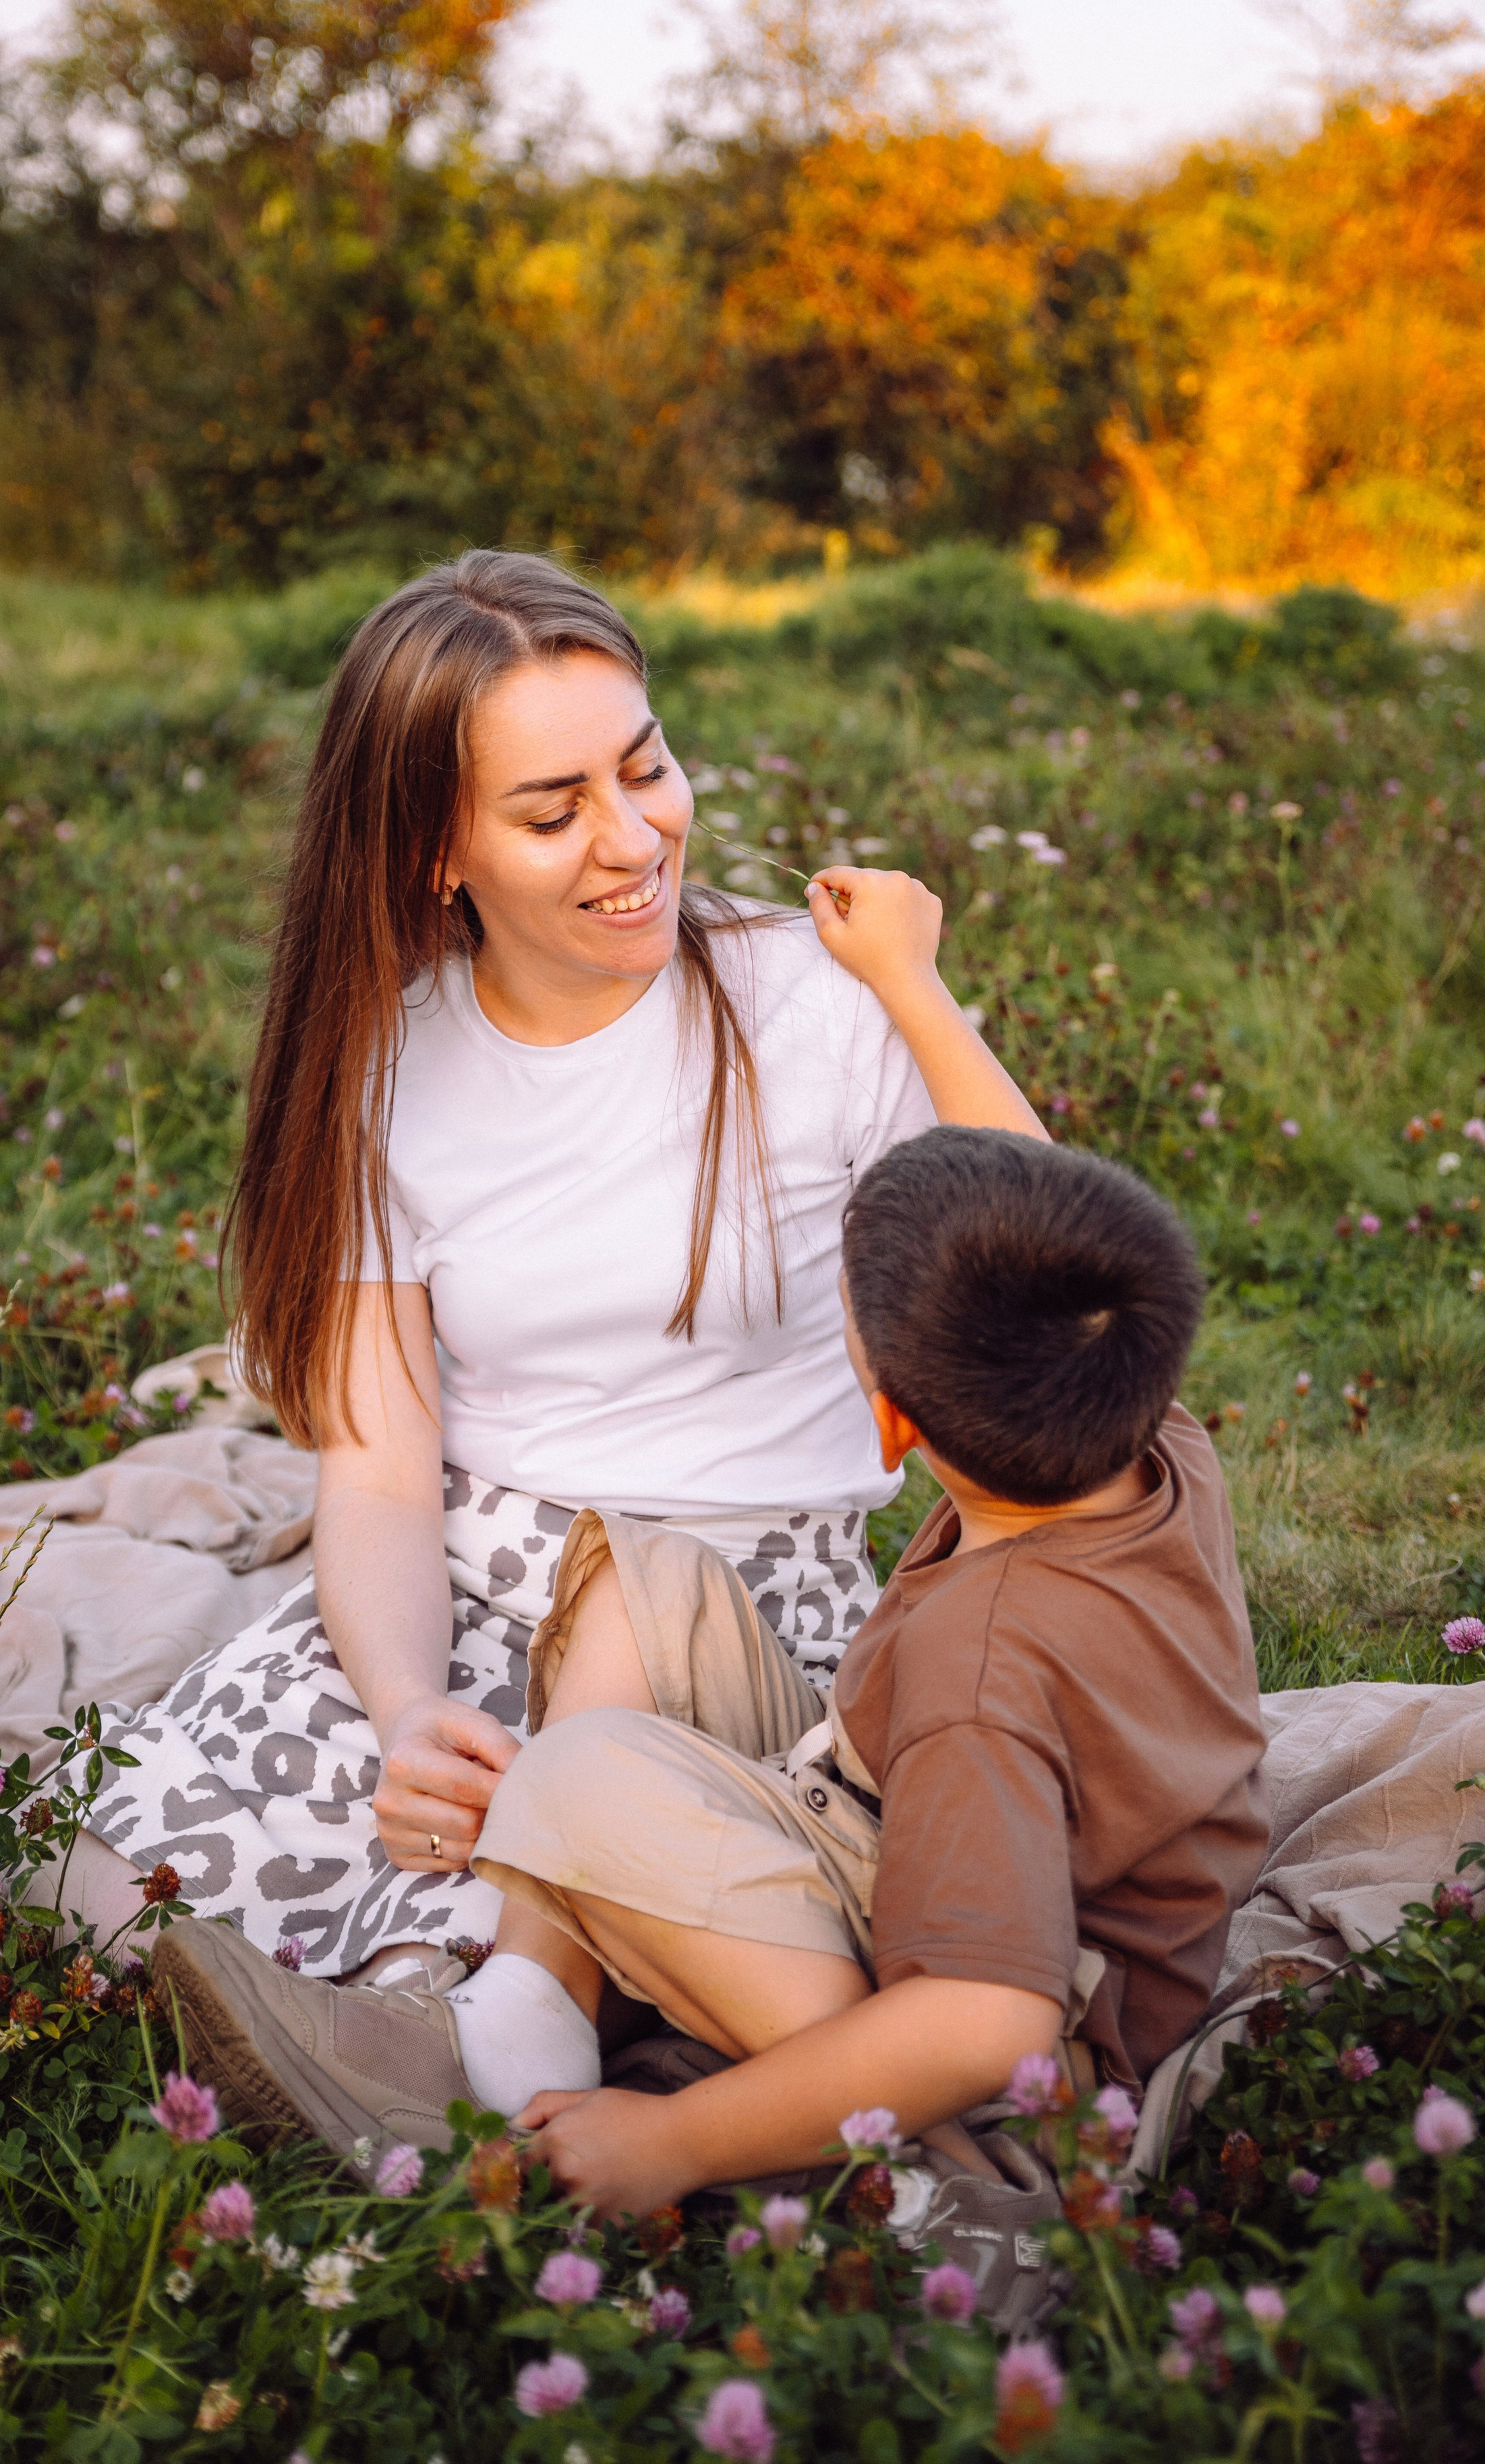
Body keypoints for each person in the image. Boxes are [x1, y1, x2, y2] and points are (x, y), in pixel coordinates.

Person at [62, 550, 1046, 2001]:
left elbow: (1051, 1267)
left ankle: (471, 2018)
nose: (634, 839)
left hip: (733, 1597)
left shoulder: (812, 1002)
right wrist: (407, 1708)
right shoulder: (389, 1065)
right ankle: (438, 2004)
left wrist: (914, 986)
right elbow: (382, 1473)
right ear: (434, 853)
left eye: (645, 768)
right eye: (552, 811)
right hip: (470, 1581)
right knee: (110, 1889)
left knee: (493, 1914)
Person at [150, 1129, 1268, 2214]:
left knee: (577, 1782)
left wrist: (677, 2142)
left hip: (1022, 2047)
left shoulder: (977, 1675)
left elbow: (990, 2022)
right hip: (931, 1828)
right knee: (654, 1578)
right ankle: (528, 2010)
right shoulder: (1149, 1440)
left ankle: (906, 2155)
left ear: (890, 1425)